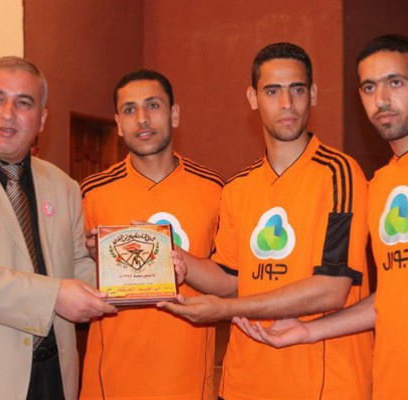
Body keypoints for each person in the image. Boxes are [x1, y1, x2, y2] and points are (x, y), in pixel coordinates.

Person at [234, 34, 408, 400]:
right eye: (369, 88)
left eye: (395, 83)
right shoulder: (381, 184)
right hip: (392, 386)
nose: (381, 99)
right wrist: (311, 330)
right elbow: (390, 298)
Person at [159, 43, 373, 399]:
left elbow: (332, 289)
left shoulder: (340, 174)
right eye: (272, 91)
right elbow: (230, 279)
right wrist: (172, 255)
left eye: (296, 90)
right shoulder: (238, 187)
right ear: (253, 97)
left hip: (321, 385)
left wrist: (227, 309)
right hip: (244, 382)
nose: (286, 103)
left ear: (312, 94)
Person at [0, 56, 117, 400]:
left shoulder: (64, 185)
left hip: (54, 374)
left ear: (42, 118)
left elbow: (76, 267)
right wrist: (54, 295)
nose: (8, 113)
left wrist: (127, 272)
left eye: (24, 103)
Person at [79, 70, 224, 400]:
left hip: (188, 385)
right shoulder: (92, 193)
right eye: (129, 110)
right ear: (118, 124)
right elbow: (72, 281)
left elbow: (230, 280)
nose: (142, 119)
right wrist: (90, 258)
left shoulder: (215, 190)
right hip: (110, 386)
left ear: (174, 114)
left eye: (153, 105)